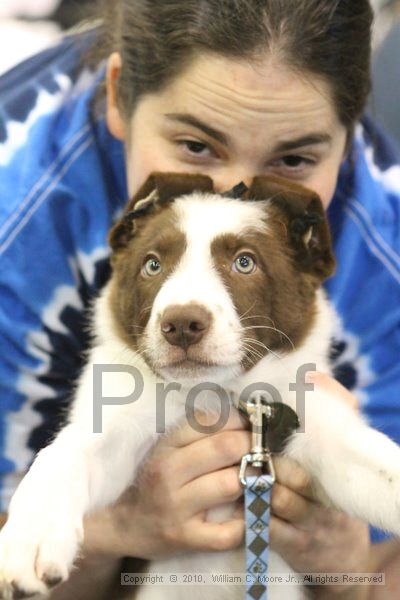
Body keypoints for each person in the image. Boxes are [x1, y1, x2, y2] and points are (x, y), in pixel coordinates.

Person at [0, 1, 399, 598]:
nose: (233, 191)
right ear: (118, 97)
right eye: (195, 144)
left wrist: (348, 571)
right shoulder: (16, 219)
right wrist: (113, 528)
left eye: (292, 158)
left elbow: (380, 555)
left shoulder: (385, 243)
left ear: (348, 139)